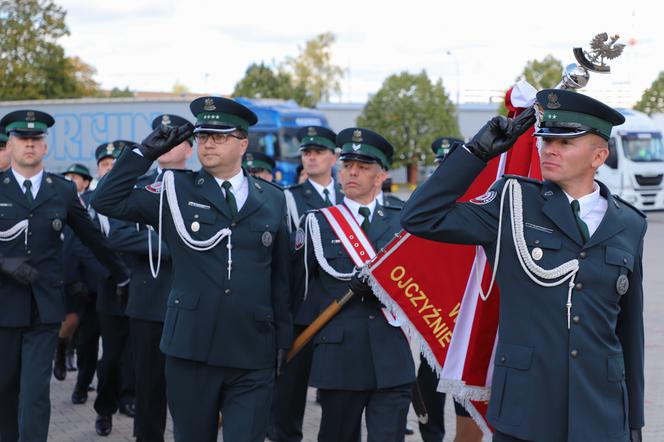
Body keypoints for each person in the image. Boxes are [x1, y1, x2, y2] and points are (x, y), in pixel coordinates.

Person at [401, 89, 645, 442]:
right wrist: (475, 153)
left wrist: (633, 422)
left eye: (565, 142)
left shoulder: (630, 223)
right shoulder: (512, 202)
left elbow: (629, 332)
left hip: (601, 414)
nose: (549, 149)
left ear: (599, 155)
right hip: (526, 413)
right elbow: (420, 218)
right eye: (545, 140)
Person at [91, 96, 292, 442]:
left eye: (219, 136)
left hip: (252, 348)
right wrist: (144, 154)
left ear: (243, 143)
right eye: (202, 136)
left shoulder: (272, 198)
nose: (208, 143)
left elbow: (280, 276)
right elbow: (105, 201)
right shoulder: (174, 190)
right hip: (192, 348)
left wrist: (284, 339)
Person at [0, 110, 129, 442]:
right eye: (22, 139)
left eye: (36, 140)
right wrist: (4, 262)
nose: (29, 145)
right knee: (5, 390)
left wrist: (121, 274)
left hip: (45, 306)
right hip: (3, 304)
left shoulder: (61, 191)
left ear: (45, 147)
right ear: (10, 145)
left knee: (34, 392)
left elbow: (92, 237)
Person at [302, 127, 416, 442]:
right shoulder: (319, 222)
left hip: (392, 354)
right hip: (339, 356)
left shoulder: (404, 218)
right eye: (347, 166)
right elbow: (302, 290)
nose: (352, 173)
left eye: (363, 167)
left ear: (380, 176)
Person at [120, 113, 192, 442]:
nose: (166, 144)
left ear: (189, 149)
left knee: (189, 393)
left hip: (190, 303)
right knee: (148, 390)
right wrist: (171, 246)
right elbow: (114, 233)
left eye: (175, 138)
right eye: (160, 137)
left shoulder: (199, 188)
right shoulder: (136, 187)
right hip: (149, 301)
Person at [269, 125, 340, 442]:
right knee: (290, 395)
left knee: (340, 397)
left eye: (318, 152)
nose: (311, 158)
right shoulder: (290, 198)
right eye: (307, 153)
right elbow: (283, 262)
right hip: (303, 309)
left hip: (341, 307)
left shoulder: (348, 194)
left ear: (334, 157)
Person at [52, 163, 94, 382]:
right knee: (71, 320)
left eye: (76, 177)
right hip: (69, 272)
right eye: (68, 177)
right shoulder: (57, 201)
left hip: (93, 274)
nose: (71, 180)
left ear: (86, 182)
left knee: (89, 332)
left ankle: (83, 378)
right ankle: (62, 351)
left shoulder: (93, 202)